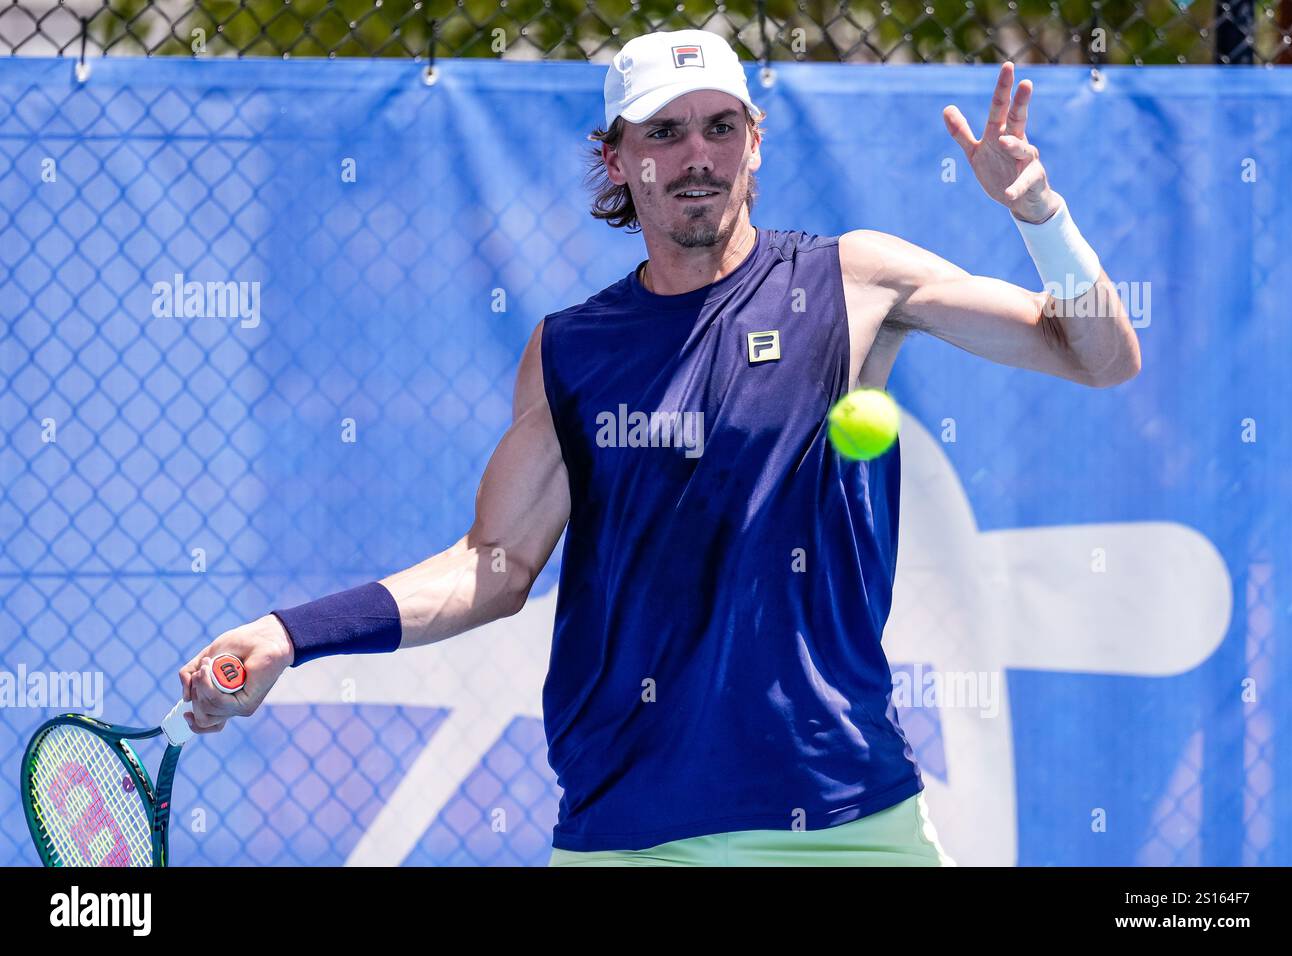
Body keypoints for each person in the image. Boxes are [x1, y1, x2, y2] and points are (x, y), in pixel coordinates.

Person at [179, 28, 1140, 866]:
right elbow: (496, 564)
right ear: (616, 159)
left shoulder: (854, 281)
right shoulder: (572, 349)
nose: (697, 156)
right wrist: (290, 634)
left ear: (755, 145)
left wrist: (1038, 214)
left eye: (722, 126)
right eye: (665, 132)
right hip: (629, 827)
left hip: (842, 813)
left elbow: (1097, 356)